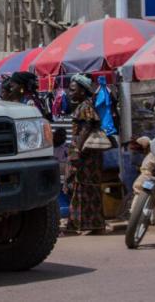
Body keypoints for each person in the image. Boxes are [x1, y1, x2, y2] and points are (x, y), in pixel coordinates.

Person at [65, 74, 106, 234]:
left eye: (73, 90)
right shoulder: (85, 105)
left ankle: (83, 225)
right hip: (86, 153)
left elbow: (87, 128)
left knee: (83, 187)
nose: (69, 93)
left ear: (83, 91)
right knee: (82, 188)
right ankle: (88, 225)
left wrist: (76, 150)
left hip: (85, 155)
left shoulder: (86, 106)